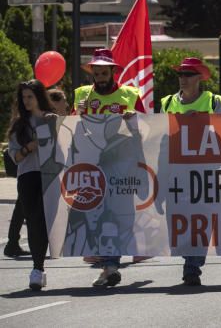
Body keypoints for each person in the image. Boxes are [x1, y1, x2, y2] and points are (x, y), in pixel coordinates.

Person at [73, 48, 139, 287]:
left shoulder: (130, 95)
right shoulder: (81, 95)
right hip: (90, 166)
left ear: (113, 71)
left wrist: (135, 119)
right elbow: (73, 128)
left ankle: (111, 264)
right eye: (96, 72)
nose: (99, 76)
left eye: (104, 72)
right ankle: (108, 265)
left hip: (122, 164)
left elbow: (149, 128)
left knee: (117, 213)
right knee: (95, 215)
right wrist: (73, 114)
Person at [161, 57, 221, 286]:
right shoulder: (167, 103)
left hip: (204, 172)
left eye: (188, 74)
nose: (183, 78)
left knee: (200, 219)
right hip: (176, 172)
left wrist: (198, 123)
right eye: (181, 74)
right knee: (179, 219)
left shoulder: (214, 101)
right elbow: (160, 138)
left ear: (199, 78)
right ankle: (190, 259)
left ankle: (193, 265)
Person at [7, 80, 57, 291]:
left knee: (48, 221)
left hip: (51, 174)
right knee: (34, 220)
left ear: (39, 97)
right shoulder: (19, 125)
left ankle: (40, 265)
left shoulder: (51, 118)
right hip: (28, 176)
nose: (26, 101)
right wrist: (29, 148)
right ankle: (38, 269)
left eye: (30, 97)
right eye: (24, 97)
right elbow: (15, 158)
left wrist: (57, 123)